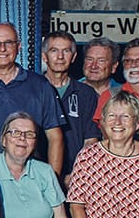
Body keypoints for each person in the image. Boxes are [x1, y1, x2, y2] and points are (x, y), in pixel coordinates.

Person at [0, 23, 65, 173]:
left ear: (19, 46)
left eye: (9, 43)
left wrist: (52, 183)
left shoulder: (40, 85)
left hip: (30, 178)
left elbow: (55, 138)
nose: (3, 49)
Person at [40, 30, 100, 181]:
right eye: (54, 50)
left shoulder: (86, 94)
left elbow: (91, 140)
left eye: (66, 51)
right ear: (44, 56)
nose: (60, 57)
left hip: (75, 176)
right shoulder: (33, 89)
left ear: (73, 57)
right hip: (38, 175)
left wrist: (79, 175)